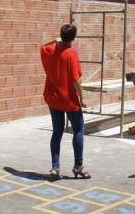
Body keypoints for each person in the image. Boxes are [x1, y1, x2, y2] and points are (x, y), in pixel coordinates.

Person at [40, 24, 91, 181]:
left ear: (60, 35)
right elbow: (75, 80)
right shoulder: (71, 53)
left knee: (57, 132)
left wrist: (54, 41)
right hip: (68, 99)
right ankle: (78, 167)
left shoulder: (50, 50)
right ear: (73, 38)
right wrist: (82, 97)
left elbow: (43, 47)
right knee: (78, 130)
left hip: (53, 97)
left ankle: (55, 168)